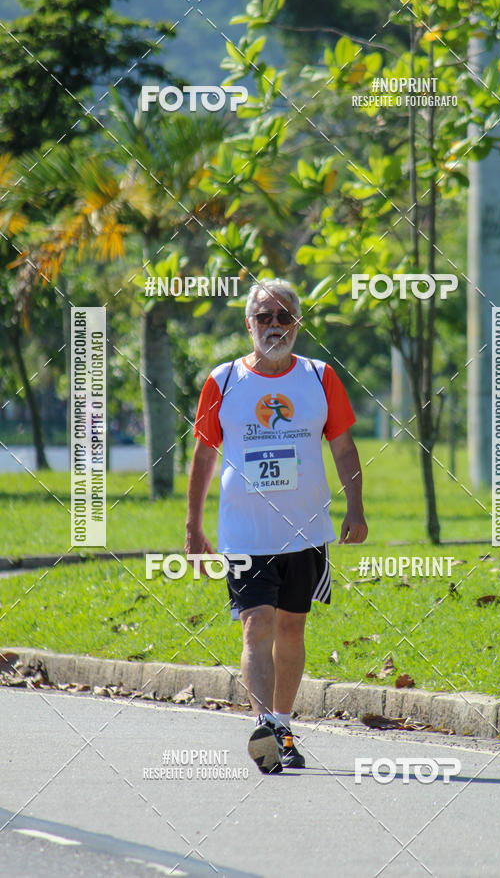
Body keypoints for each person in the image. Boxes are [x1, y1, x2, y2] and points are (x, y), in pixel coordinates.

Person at [185, 278, 368, 774]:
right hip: (245, 531)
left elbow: (344, 447)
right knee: (256, 623)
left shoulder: (319, 377)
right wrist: (192, 527)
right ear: (248, 324)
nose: (274, 326)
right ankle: (264, 726)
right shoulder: (222, 382)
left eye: (284, 317)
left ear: (297, 324)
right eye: (264, 317)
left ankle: (282, 727)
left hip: (305, 531)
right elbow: (204, 455)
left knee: (291, 626)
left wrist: (356, 508)